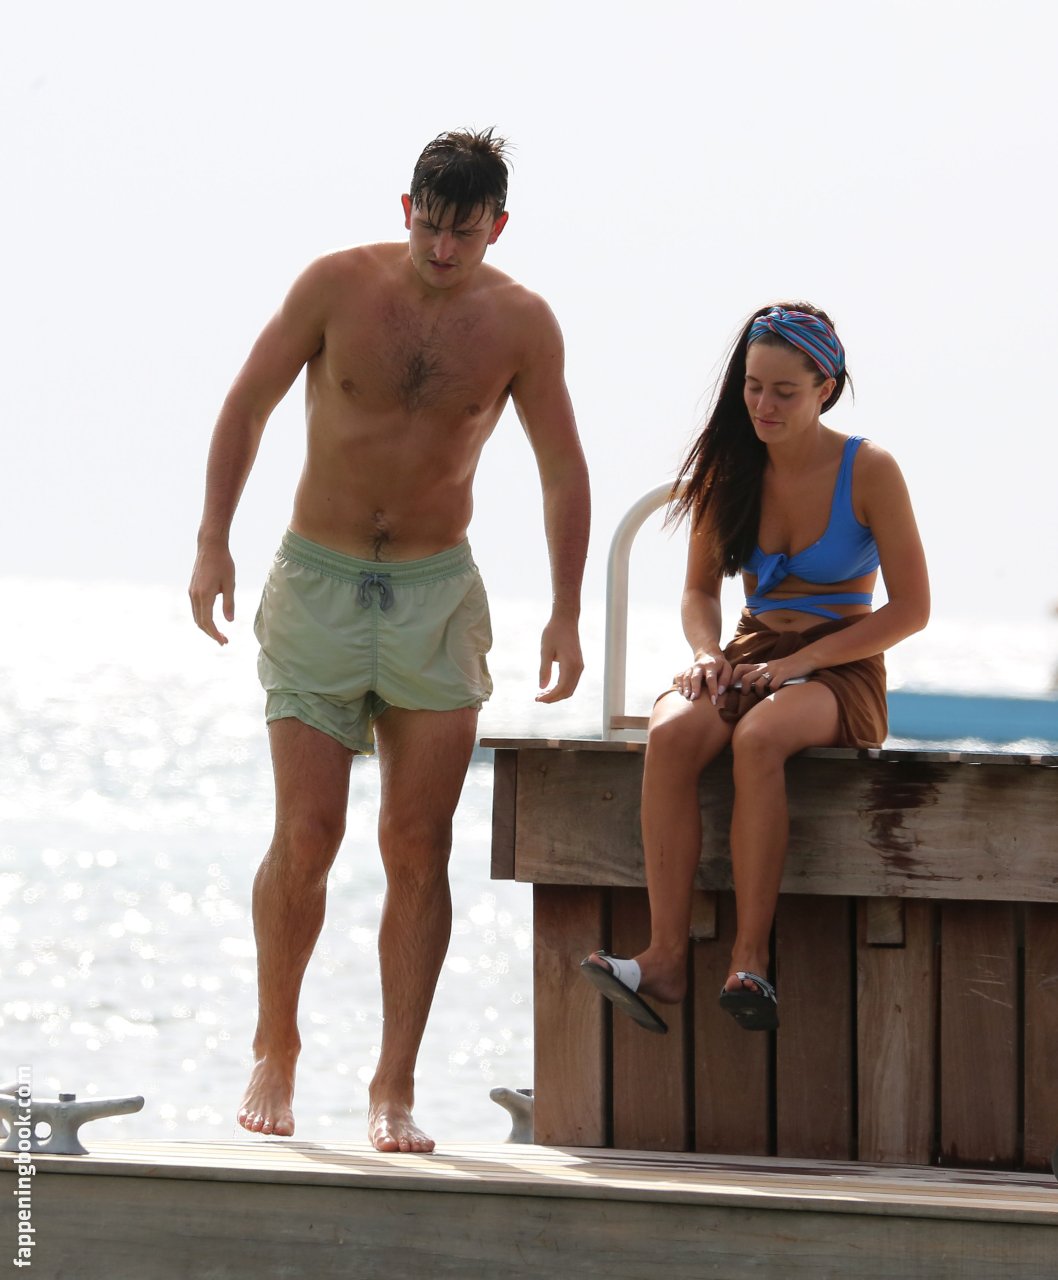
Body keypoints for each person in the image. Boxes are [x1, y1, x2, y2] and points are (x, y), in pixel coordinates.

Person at [188, 128, 590, 1151]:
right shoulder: (335, 285)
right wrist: (213, 542)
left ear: (498, 227)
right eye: (430, 224)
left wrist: (565, 609)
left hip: (432, 596)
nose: (443, 248)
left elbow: (560, 468)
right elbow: (246, 403)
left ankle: (393, 1085)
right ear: (405, 208)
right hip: (317, 583)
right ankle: (275, 1045)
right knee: (308, 832)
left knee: (418, 844)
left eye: (465, 232)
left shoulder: (522, 324)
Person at [581, 303, 928, 1033]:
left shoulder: (870, 468)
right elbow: (699, 592)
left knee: (760, 738)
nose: (763, 405)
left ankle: (750, 960)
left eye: (784, 391)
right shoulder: (729, 469)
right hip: (749, 655)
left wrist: (803, 662)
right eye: (752, 386)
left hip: (839, 664)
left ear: (825, 389)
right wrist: (707, 653)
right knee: (670, 731)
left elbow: (912, 609)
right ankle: (664, 958)